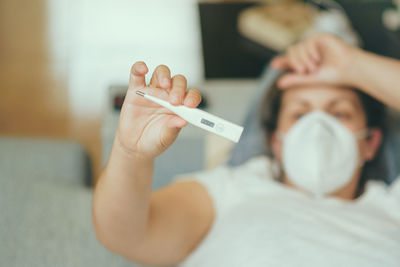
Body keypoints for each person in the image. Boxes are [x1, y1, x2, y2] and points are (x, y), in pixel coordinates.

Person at [92, 33, 400, 266]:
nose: (317, 128)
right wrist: (130, 154)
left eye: (339, 113)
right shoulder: (230, 189)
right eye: (300, 114)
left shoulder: (392, 208)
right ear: (277, 143)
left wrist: (353, 66)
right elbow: (126, 236)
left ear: (371, 143)